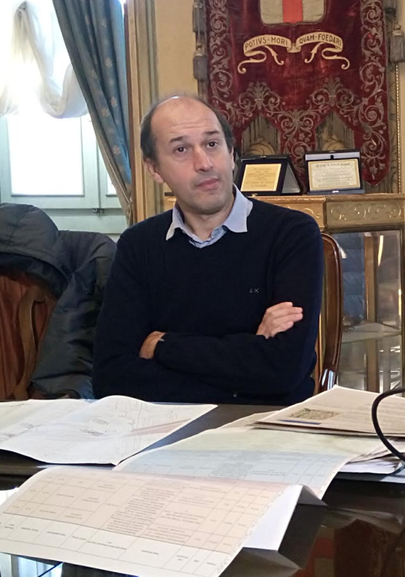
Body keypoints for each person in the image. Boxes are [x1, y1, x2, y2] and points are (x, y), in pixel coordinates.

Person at [93, 95, 324, 404]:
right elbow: (111, 378)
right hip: (165, 426)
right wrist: (249, 358)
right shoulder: (138, 245)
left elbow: (284, 370)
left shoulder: (291, 234)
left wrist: (162, 346)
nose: (204, 163)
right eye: (181, 149)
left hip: (266, 425)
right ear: (154, 169)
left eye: (212, 144)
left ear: (232, 154)